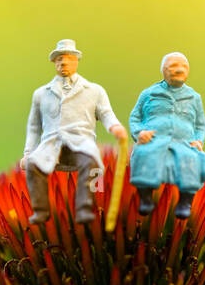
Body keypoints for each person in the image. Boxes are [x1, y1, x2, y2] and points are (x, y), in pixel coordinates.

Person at [22, 39, 127, 224]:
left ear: (76, 61)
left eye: (69, 59)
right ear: (54, 63)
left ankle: (88, 208)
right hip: (52, 145)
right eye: (59, 59)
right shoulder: (40, 93)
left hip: (80, 143)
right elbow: (33, 127)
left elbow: (106, 113)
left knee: (94, 165)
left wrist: (115, 127)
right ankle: (40, 211)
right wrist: (28, 153)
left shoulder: (95, 90)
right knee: (32, 166)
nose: (64, 63)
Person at [127, 52, 205, 219]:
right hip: (154, 140)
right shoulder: (149, 94)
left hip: (184, 143)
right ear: (164, 70)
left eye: (183, 66)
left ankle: (185, 202)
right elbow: (135, 117)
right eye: (173, 66)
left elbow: (200, 125)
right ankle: (145, 198)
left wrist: (198, 141)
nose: (179, 70)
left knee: (192, 160)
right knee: (142, 153)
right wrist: (139, 133)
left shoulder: (194, 97)